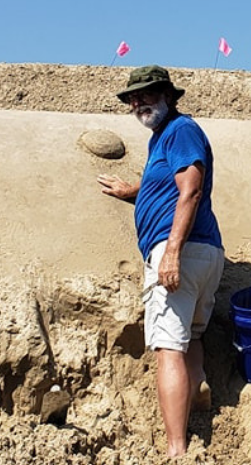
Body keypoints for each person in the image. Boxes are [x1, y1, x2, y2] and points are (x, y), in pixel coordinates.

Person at [96, 65, 224, 458]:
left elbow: (191, 188)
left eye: (148, 94)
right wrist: (133, 190)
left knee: (167, 348)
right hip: (203, 253)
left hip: (181, 253)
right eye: (133, 97)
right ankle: (197, 384)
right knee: (193, 336)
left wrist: (170, 252)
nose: (139, 102)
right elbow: (167, 183)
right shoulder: (165, 137)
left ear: (170, 96)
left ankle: (176, 450)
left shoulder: (181, 130)